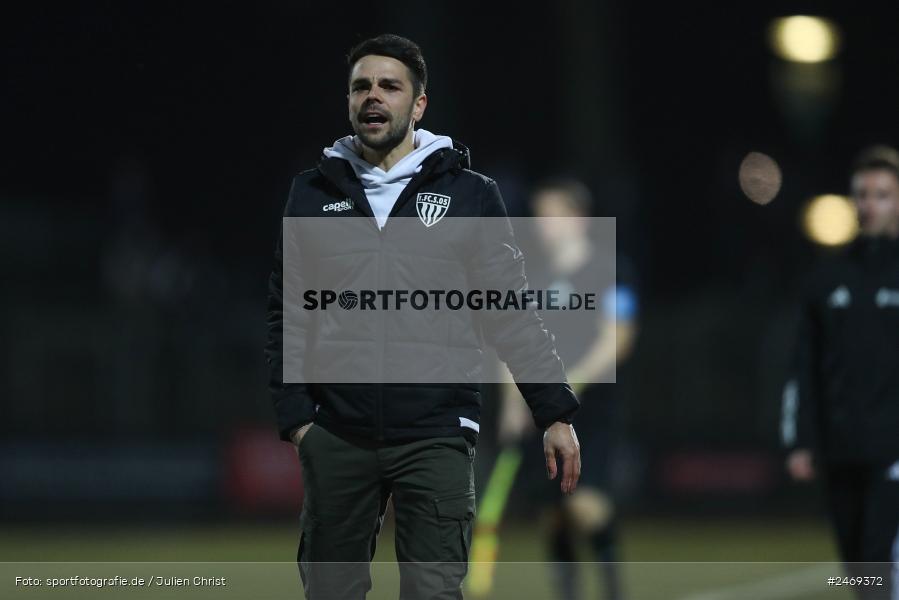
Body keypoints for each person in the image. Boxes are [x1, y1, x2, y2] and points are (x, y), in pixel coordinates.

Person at [265, 34, 582, 600]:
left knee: (433, 593)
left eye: (390, 86)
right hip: (336, 433)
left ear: (418, 105)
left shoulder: (470, 195)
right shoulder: (310, 193)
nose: (373, 97)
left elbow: (509, 310)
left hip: (435, 435)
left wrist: (553, 411)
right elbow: (287, 312)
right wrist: (297, 419)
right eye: (361, 86)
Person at [500, 177, 638, 600]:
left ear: (578, 219)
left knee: (585, 506)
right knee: (553, 517)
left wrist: (569, 383)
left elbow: (618, 339)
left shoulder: (611, 270)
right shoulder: (529, 278)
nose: (544, 224)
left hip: (590, 413)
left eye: (553, 215)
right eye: (540, 216)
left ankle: (613, 590)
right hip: (542, 414)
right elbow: (514, 347)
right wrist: (513, 402)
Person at [783, 145, 899, 599]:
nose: (870, 204)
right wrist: (801, 439)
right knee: (857, 571)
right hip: (842, 446)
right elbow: (804, 365)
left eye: (883, 195)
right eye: (862, 194)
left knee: (876, 560)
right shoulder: (827, 277)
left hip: (893, 450)